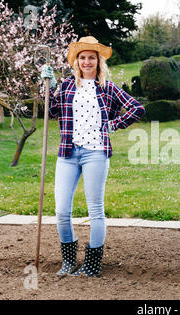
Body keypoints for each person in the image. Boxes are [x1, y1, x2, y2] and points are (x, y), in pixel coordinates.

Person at [40, 36, 145, 277]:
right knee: (61, 211)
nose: (87, 62)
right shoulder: (66, 85)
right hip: (68, 153)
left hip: (95, 153)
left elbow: (138, 108)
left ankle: (92, 264)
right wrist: (45, 84)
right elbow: (51, 110)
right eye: (83, 57)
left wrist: (113, 124)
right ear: (76, 61)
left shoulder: (107, 88)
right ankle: (68, 261)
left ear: (98, 62)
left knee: (95, 210)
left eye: (92, 58)